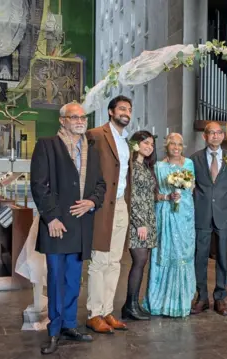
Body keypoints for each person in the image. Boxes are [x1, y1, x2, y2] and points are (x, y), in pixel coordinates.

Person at [30, 102, 106, 354]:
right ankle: (54, 331)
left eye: (83, 117)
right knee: (55, 280)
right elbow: (39, 185)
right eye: (74, 117)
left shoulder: (92, 149)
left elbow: (101, 184)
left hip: (82, 224)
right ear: (62, 120)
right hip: (58, 224)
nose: (80, 121)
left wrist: (92, 201)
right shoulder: (47, 145)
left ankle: (69, 325)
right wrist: (50, 217)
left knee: (74, 279)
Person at [85, 95, 132, 333]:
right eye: (122, 108)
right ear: (111, 112)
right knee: (99, 260)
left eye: (129, 109)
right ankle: (94, 313)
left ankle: (107, 310)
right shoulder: (95, 135)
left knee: (115, 262)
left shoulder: (126, 141)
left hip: (122, 203)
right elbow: (87, 170)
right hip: (102, 204)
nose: (126, 112)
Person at [142, 133, 196, 317]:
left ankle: (181, 302)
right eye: (172, 143)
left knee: (183, 255)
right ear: (166, 145)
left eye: (179, 144)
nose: (176, 147)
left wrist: (182, 190)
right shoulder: (158, 167)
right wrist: (167, 197)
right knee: (164, 253)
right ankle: (160, 301)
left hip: (184, 216)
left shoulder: (189, 164)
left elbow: (192, 187)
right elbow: (153, 194)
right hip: (165, 214)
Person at [189, 122, 227, 316]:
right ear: (205, 136)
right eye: (211, 133)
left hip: (223, 215)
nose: (215, 136)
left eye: (218, 133)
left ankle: (220, 298)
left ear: (223, 136)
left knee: (223, 259)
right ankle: (202, 297)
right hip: (201, 215)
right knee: (199, 257)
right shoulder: (194, 159)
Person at [121, 131, 157, 321]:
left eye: (151, 144)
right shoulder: (132, 167)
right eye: (145, 143)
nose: (149, 147)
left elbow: (149, 195)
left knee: (142, 263)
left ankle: (133, 303)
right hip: (139, 222)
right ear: (136, 144)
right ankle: (129, 306)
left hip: (149, 220)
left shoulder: (146, 167)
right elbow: (132, 196)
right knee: (139, 262)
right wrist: (139, 223)